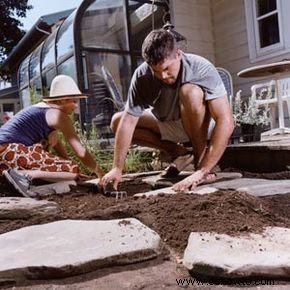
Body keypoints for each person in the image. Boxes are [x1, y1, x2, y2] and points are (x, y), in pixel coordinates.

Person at [102, 29, 234, 192]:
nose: (163, 76)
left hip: (203, 125)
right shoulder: (142, 75)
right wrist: (117, 167)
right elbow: (129, 121)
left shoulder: (201, 67)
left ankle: (200, 163)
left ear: (178, 54)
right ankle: (180, 153)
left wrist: (203, 170)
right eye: (156, 71)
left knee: (190, 92)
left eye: (166, 69)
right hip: (169, 122)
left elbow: (226, 121)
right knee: (118, 120)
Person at [0, 74, 104, 197]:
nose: (76, 106)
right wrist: (100, 173)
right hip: (10, 151)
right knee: (74, 170)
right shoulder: (60, 116)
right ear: (62, 100)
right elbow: (80, 152)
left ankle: (18, 179)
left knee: (71, 172)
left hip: (6, 156)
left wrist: (66, 167)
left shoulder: (42, 109)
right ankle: (25, 176)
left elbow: (58, 145)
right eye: (74, 101)